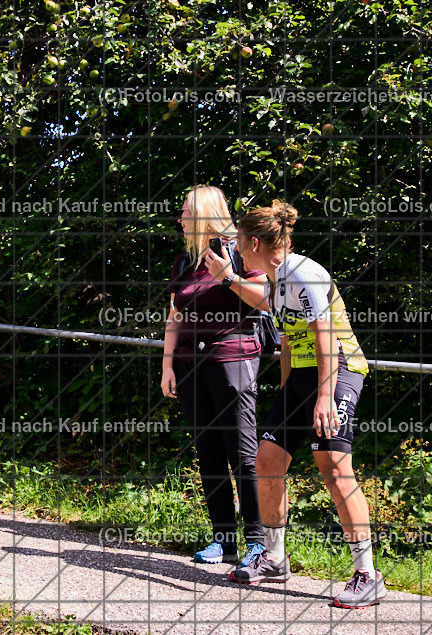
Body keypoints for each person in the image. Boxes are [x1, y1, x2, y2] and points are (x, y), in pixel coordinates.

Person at [209, 199, 385, 609]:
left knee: (334, 467)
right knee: (268, 460)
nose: (235, 248)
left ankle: (367, 574)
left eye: (238, 242)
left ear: (255, 242)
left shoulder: (304, 273)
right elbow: (288, 334)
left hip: (338, 369)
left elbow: (324, 335)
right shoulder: (273, 278)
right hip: (304, 374)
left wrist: (324, 396)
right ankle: (274, 557)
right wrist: (288, 390)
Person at [162, 185, 267, 566]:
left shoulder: (239, 252)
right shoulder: (185, 260)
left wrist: (226, 276)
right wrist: (167, 366)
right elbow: (175, 314)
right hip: (191, 364)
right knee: (208, 452)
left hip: (232, 359)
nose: (179, 218)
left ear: (205, 213)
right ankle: (224, 541)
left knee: (241, 451)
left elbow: (265, 297)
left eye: (186, 211)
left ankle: (258, 542)